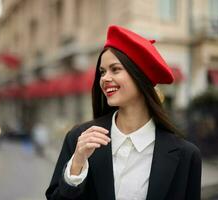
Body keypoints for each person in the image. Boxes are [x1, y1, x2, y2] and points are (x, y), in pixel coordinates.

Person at [45, 25, 202, 200]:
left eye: (115, 69)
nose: (104, 78)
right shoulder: (80, 140)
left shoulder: (186, 156)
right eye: (102, 72)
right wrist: (76, 166)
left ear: (140, 76)